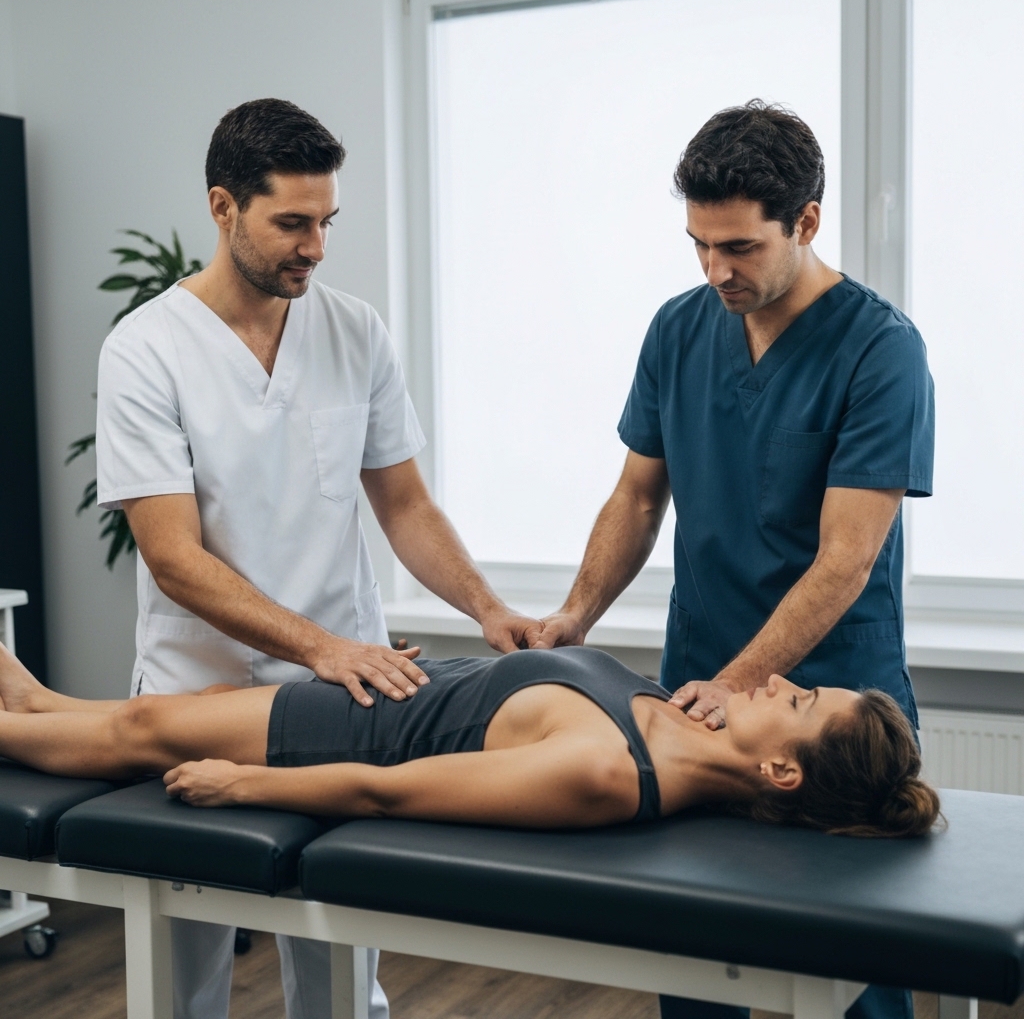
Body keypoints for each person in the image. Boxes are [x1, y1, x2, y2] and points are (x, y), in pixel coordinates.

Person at [95, 99, 539, 1019]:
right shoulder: (145, 351)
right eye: (292, 223)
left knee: (340, 963)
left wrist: (486, 610)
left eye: (326, 222)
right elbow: (173, 558)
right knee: (185, 969)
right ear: (224, 208)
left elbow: (404, 504)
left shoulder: (355, 330)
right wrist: (319, 649)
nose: (316, 246)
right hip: (201, 686)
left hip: (345, 693)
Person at [530, 101, 934, 1019]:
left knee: (855, 981)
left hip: (834, 707)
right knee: (698, 966)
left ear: (806, 222)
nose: (717, 270)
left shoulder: (881, 349)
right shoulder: (679, 329)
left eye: (741, 248)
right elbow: (637, 497)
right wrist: (573, 617)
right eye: (699, 245)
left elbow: (844, 560)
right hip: (699, 698)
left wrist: (739, 679)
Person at [0, 642, 939, 837]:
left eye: (804, 700)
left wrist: (243, 785)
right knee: (180, 698)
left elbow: (391, 794)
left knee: (146, 725)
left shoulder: (607, 772)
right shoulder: (691, 715)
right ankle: (37, 702)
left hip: (370, 736)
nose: (780, 680)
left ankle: (19, 725)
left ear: (781, 771)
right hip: (415, 682)